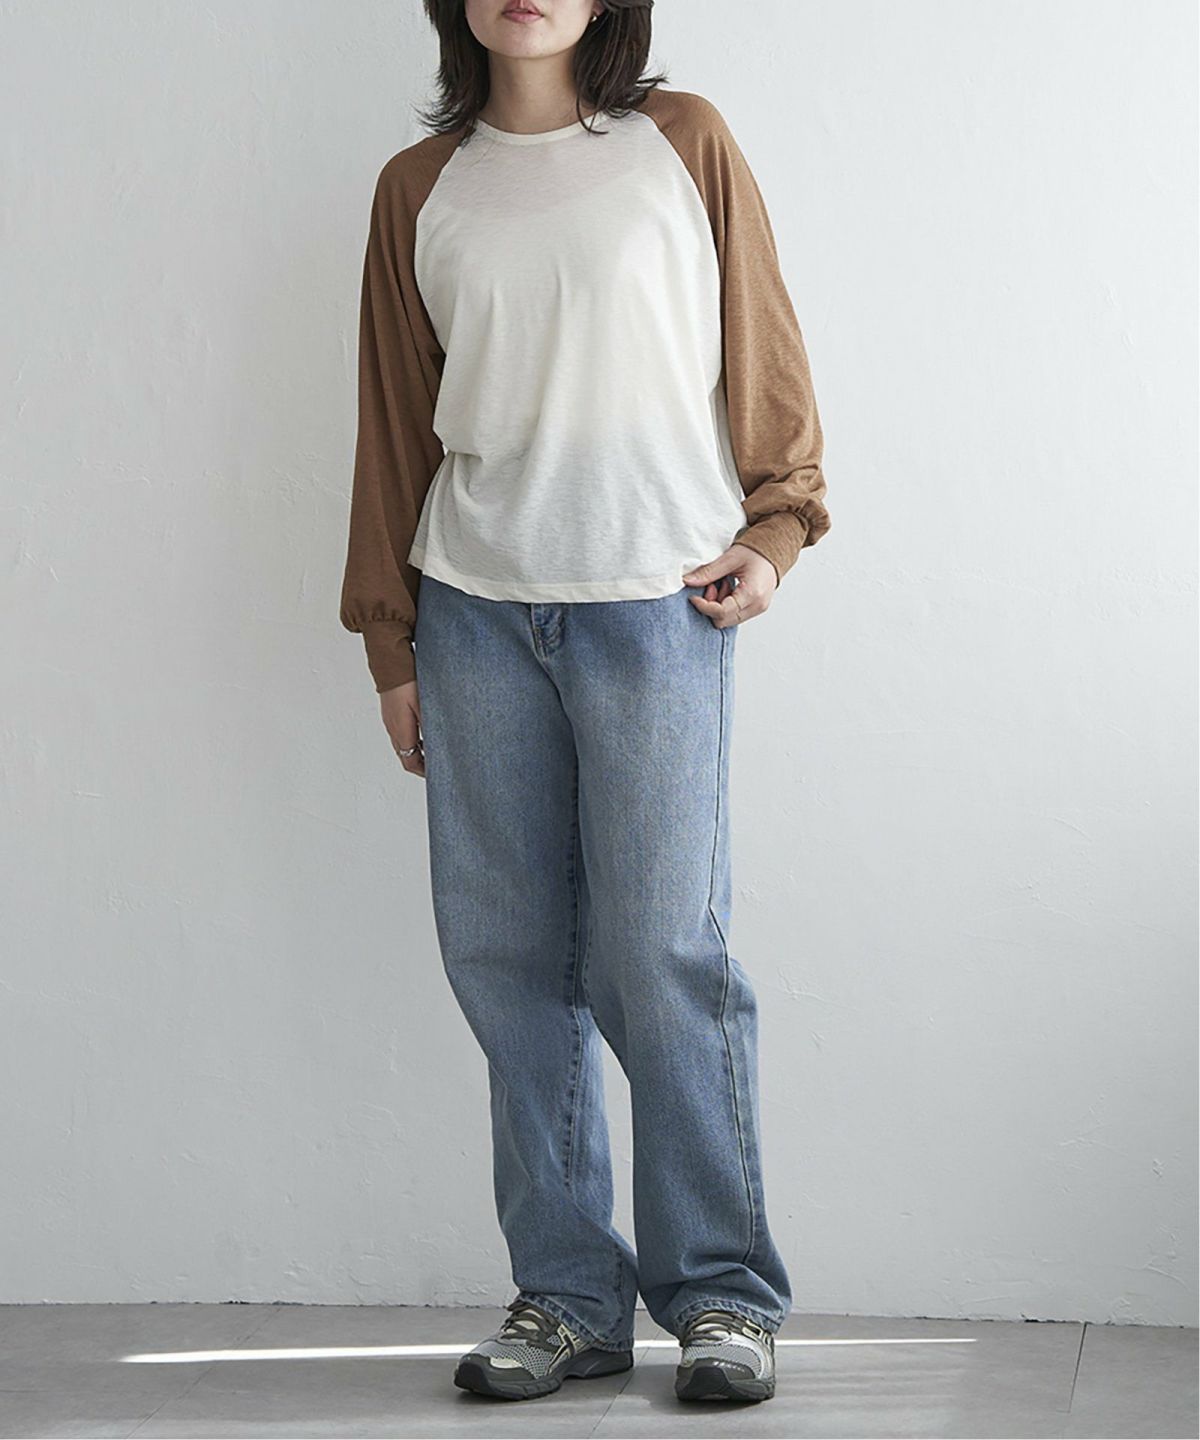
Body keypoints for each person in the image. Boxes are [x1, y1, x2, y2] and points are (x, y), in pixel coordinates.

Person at [339, 0, 830, 1406]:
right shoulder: (419, 187)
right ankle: (566, 1296)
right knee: (506, 961)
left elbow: (761, 345)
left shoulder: (684, 142)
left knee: (663, 952)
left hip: (656, 602)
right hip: (475, 615)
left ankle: (722, 1295)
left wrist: (779, 527)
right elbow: (393, 422)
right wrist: (392, 643)